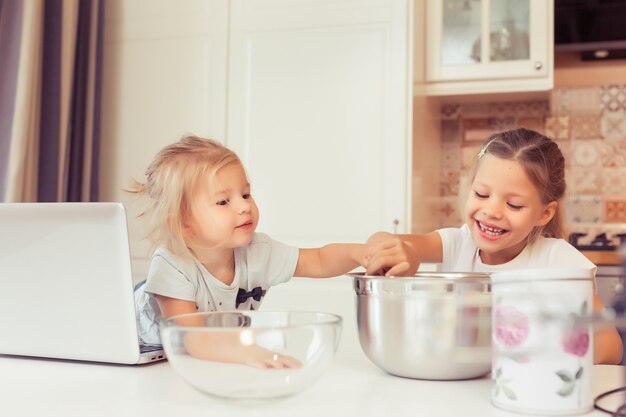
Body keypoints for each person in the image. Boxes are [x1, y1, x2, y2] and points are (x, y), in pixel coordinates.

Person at [129, 135, 410, 369]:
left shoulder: (257, 251)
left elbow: (319, 261)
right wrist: (249, 352)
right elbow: (190, 338)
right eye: (223, 201)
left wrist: (360, 254)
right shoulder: (172, 263)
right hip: (143, 351)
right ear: (184, 223)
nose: (243, 206)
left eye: (246, 194)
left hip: (203, 356)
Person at [365, 127, 624, 365]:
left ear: (544, 214)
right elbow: (385, 242)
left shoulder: (559, 260)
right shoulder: (457, 244)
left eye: (514, 205)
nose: (491, 211)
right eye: (481, 194)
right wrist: (401, 252)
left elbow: (611, 347)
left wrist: (540, 355)